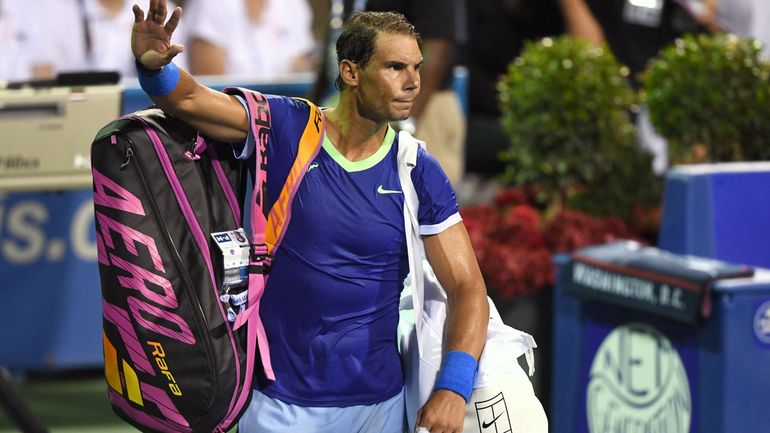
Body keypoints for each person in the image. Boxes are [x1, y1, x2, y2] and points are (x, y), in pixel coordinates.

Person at [130, 1, 489, 432]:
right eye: (395, 67)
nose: (413, 82)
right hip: (278, 406)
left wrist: (453, 386)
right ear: (352, 72)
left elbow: (468, 286)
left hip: (379, 408)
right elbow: (188, 99)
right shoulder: (287, 127)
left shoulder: (417, 170)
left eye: (416, 67)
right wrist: (154, 69)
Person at [183, 0, 316, 78]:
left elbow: (303, 68)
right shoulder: (209, 4)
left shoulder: (295, 4)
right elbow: (209, 90)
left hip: (284, 115)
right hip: (229, 120)